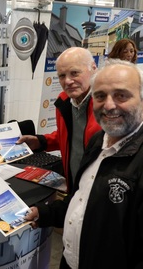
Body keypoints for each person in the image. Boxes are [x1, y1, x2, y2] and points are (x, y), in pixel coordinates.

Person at [25, 59, 143, 268]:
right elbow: (86, 201)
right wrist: (47, 213)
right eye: (100, 96)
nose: (109, 105)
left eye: (121, 95)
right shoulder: (99, 141)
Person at [17, 47, 101, 191]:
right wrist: (40, 142)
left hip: (99, 192)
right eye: (62, 75)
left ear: (93, 69)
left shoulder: (108, 108)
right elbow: (71, 137)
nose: (68, 81)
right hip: (75, 187)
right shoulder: (64, 102)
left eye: (74, 73)